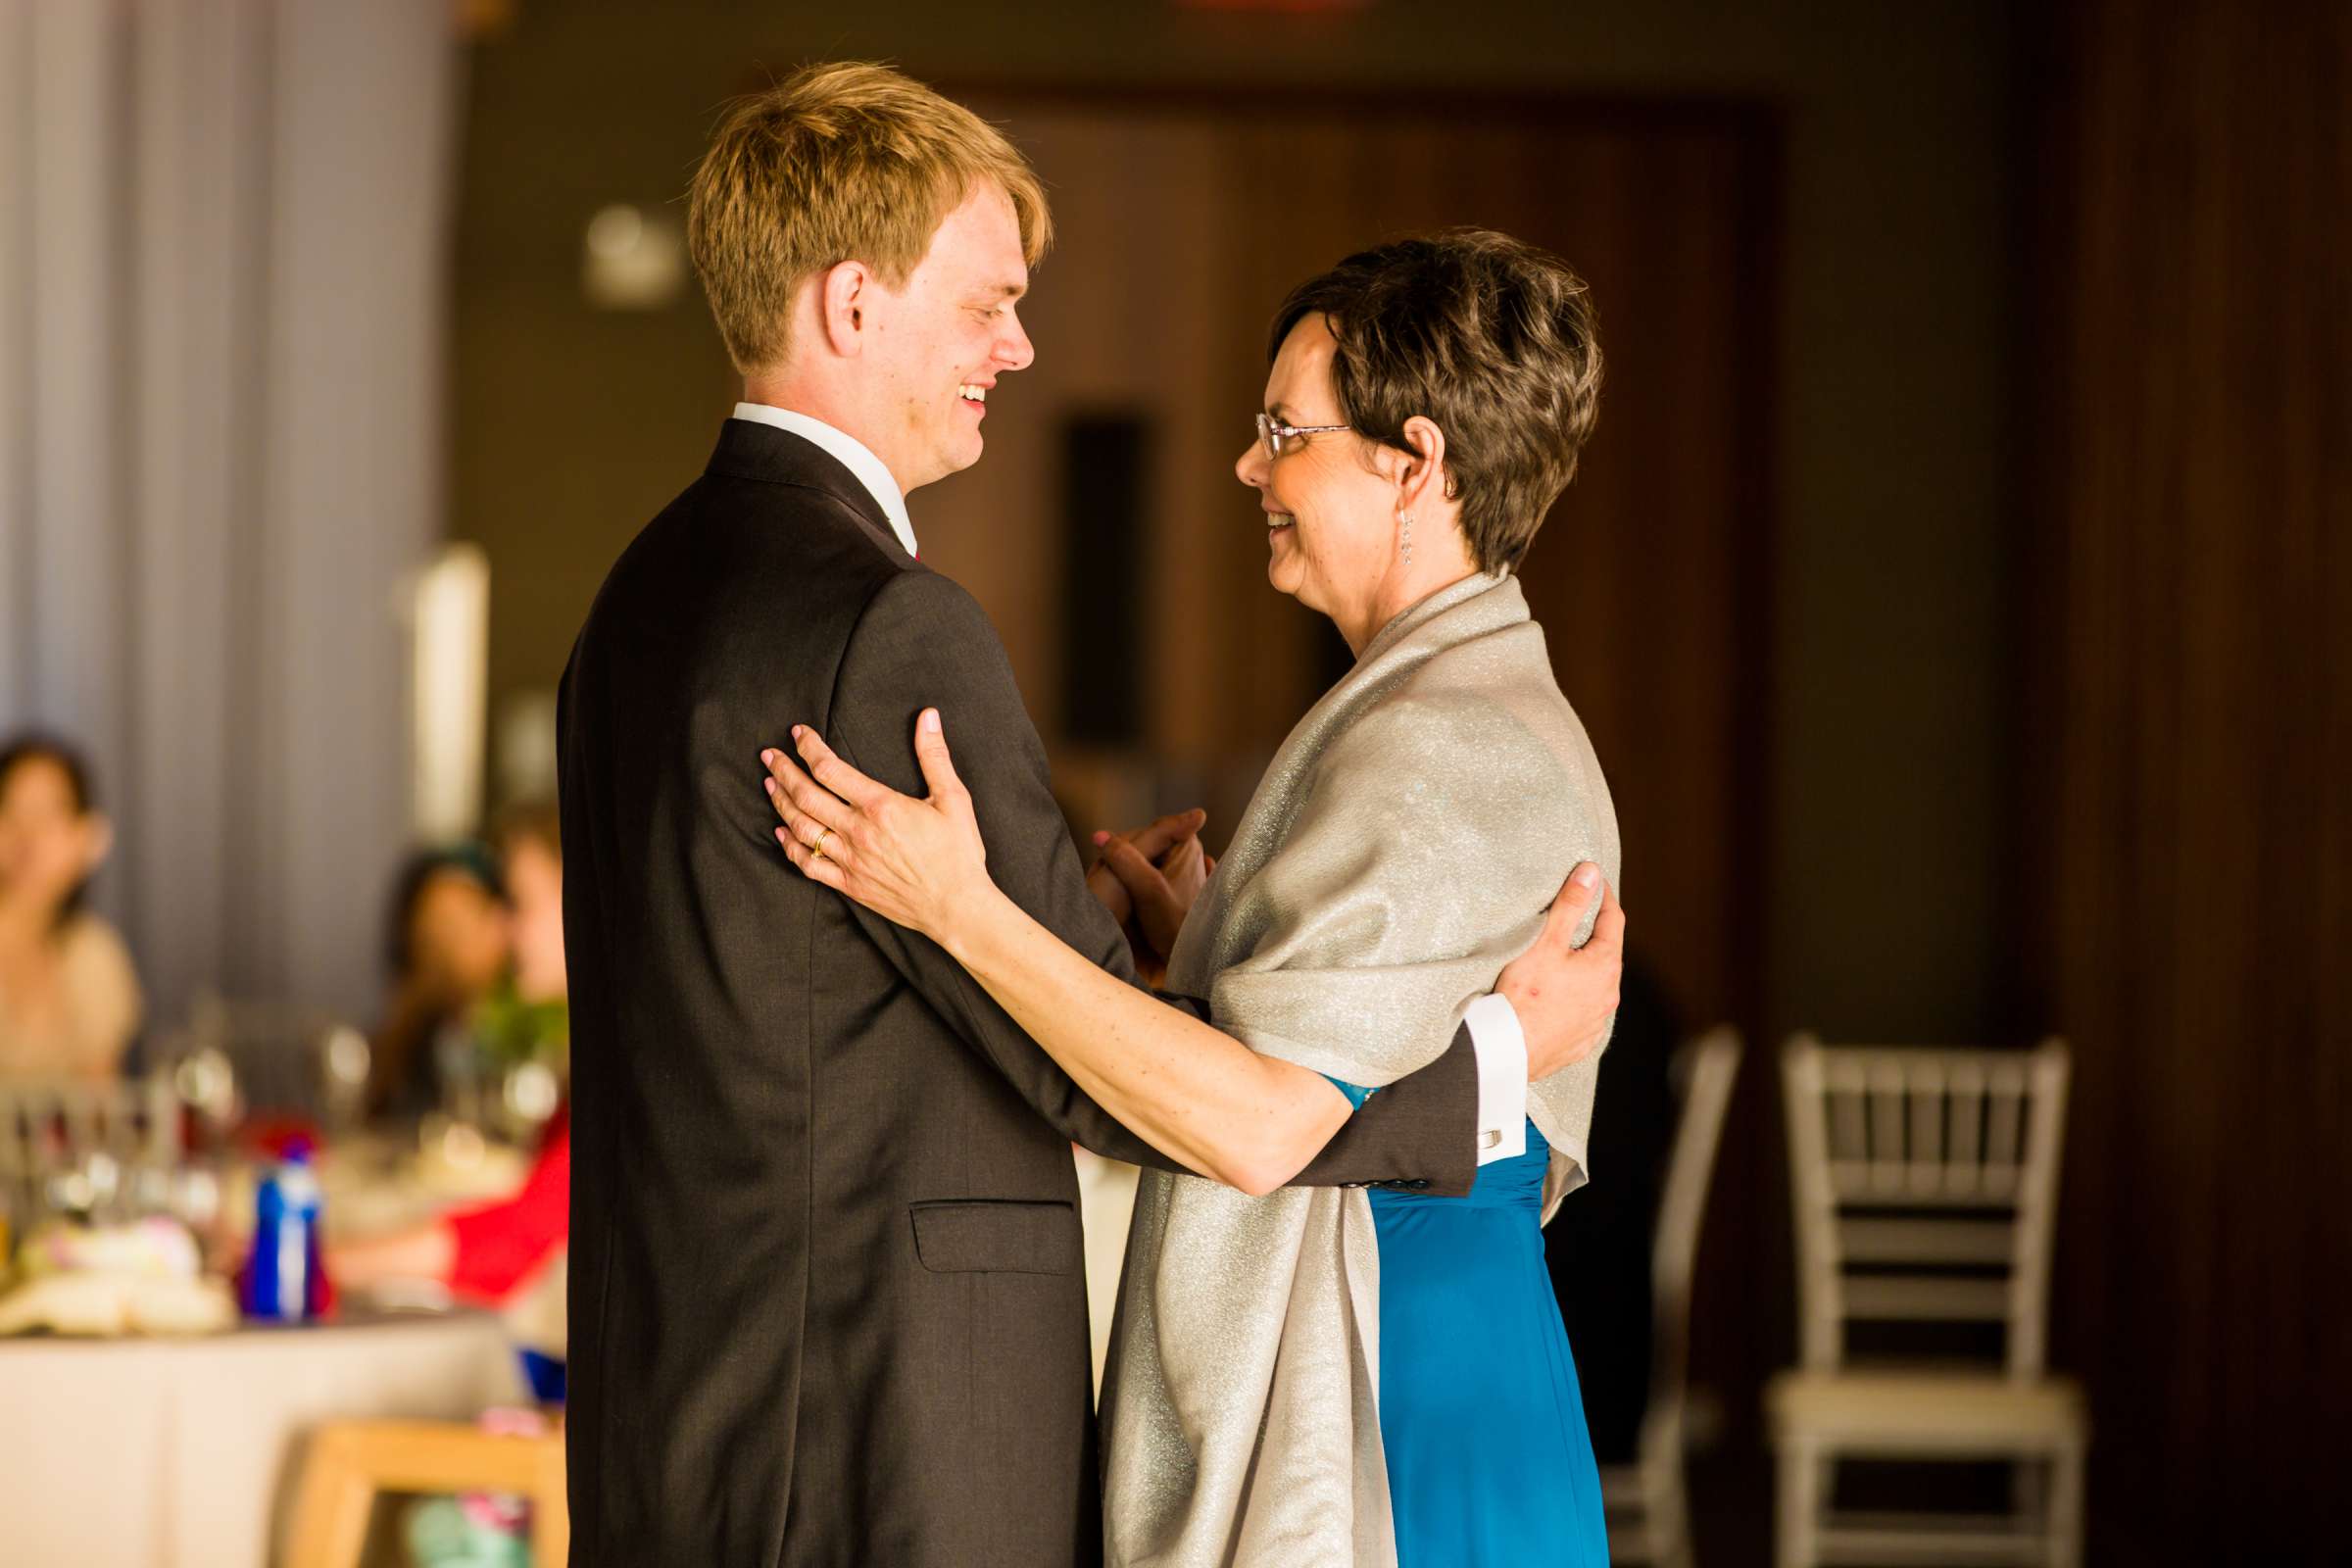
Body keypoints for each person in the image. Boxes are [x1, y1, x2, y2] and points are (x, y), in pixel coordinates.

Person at [557, 64, 1621, 1568]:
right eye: (987, 301)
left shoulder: (642, 596)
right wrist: (1494, 1058)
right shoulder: (890, 624)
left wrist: (1112, 942)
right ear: (855, 306)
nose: (1020, 341)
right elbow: (1145, 1095)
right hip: (871, 1423)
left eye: (1282, 432)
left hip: (686, 1399)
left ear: (1417, 464)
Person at [331, 805, 570, 1307]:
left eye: (522, 904)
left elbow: (520, 1240)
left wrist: (329, 1263)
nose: (505, 930)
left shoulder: (631, 1066)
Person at [0, 734, 141, 1079]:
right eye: (10, 811)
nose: (27, 837)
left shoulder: (94, 955)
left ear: (87, 838)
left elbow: (100, 1110)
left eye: (48, 815)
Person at [364, 844, 511, 1120]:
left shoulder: (526, 1028)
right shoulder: (401, 1043)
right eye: (436, 930)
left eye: (459, 926)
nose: (446, 947)